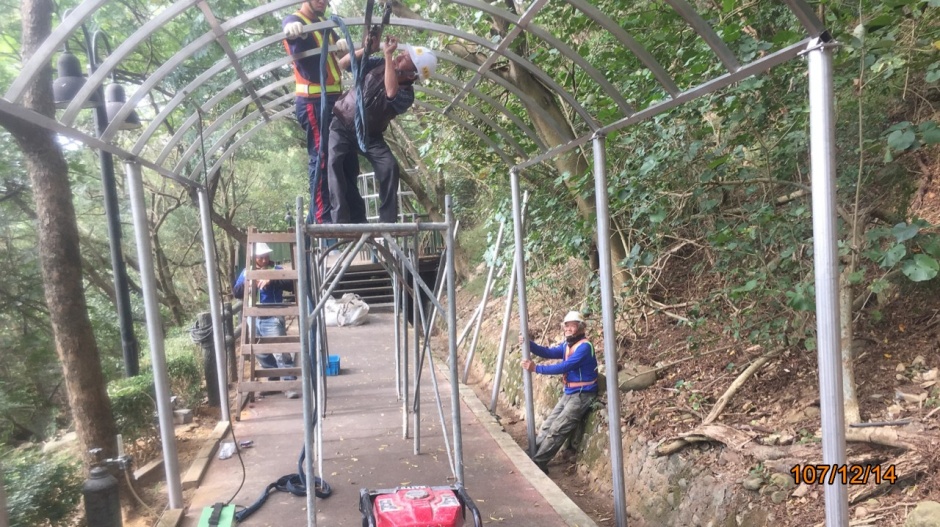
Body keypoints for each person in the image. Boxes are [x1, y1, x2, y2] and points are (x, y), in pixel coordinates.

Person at [327, 35, 437, 224]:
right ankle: (339, 220)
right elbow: (344, 63)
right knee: (334, 162)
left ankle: (387, 222)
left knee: (389, 167)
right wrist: (369, 49)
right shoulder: (378, 63)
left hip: (370, 136)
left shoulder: (407, 96)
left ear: (412, 75)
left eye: (406, 58)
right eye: (403, 53)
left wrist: (387, 56)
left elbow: (390, 92)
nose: (399, 56)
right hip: (342, 123)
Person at [282, 0, 350, 225]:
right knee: (321, 156)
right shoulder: (295, 21)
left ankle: (341, 213)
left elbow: (337, 63)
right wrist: (293, 35)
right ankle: (322, 218)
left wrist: (341, 45)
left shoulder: (324, 23)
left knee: (340, 157)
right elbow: (294, 44)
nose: (323, 1)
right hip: (313, 101)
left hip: (333, 99)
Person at [520, 310, 598, 474]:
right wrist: (529, 344)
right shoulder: (567, 345)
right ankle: (532, 454)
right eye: (567, 325)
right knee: (548, 425)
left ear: (581, 327)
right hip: (570, 392)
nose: (568, 328)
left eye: (572, 325)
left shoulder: (584, 347)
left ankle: (539, 462)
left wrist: (537, 368)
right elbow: (547, 352)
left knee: (558, 428)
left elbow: (565, 366)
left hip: (583, 394)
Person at [233, 243, 299, 399]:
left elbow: (291, 285)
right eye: (261, 257)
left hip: (273, 316)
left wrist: (273, 279)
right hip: (253, 318)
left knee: (280, 351)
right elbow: (236, 292)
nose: (264, 260)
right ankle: (273, 380)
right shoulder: (246, 272)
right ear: (254, 258)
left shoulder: (276, 270)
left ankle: (288, 383)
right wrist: (249, 283)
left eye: (266, 257)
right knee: (261, 352)